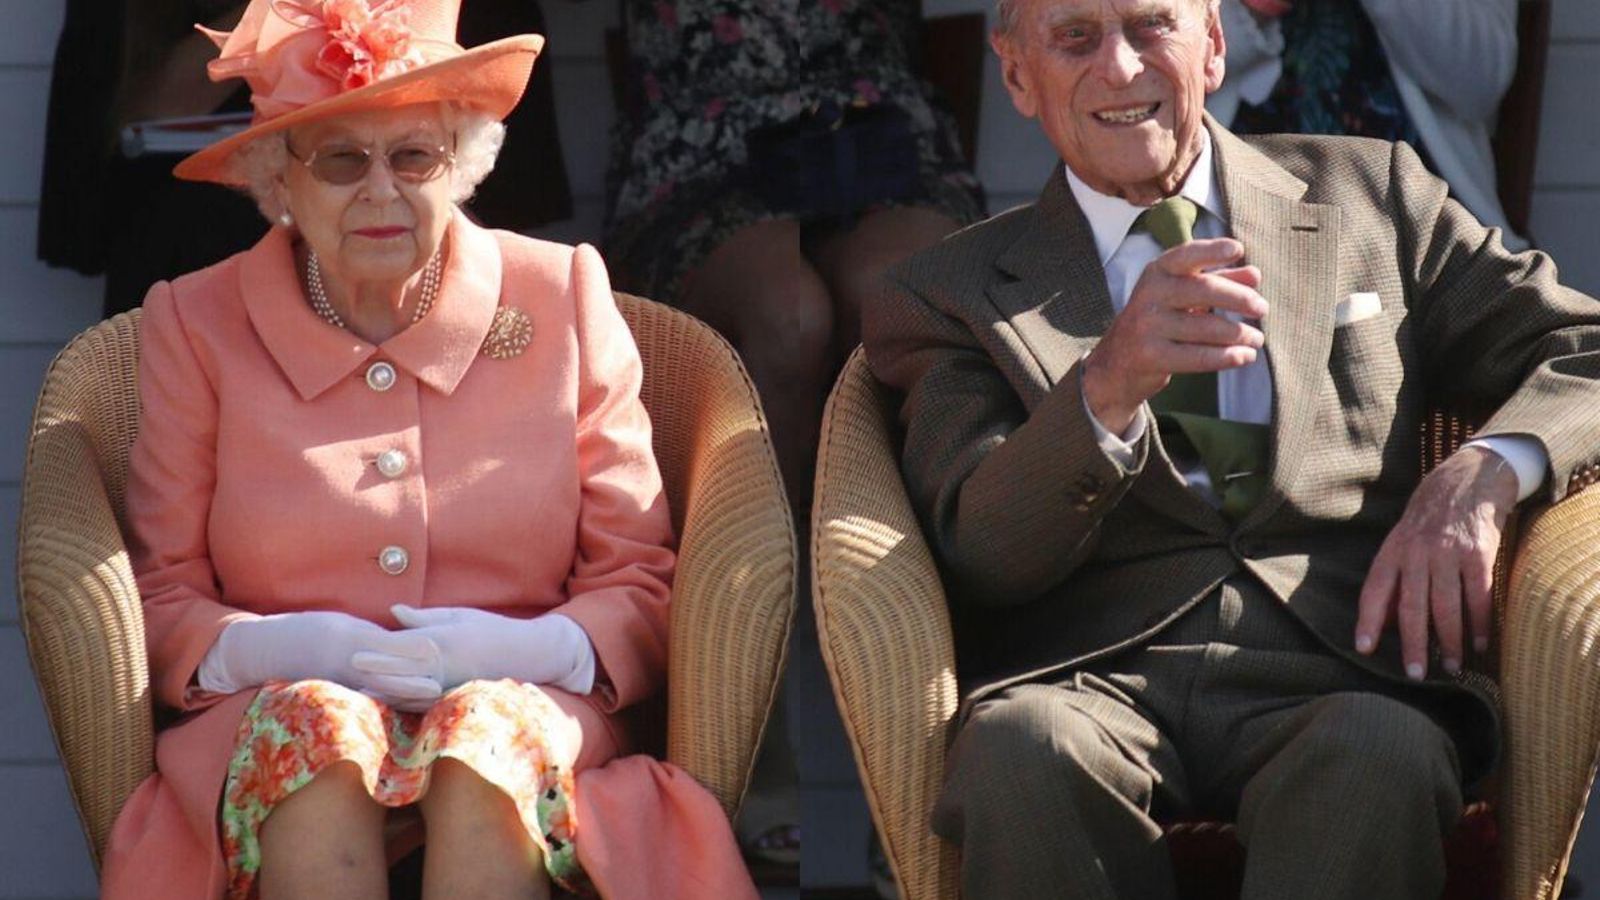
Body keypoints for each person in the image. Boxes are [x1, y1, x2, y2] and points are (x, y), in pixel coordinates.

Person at [861, 0, 1600, 897]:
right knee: (1024, 750)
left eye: (1149, 26)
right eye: (1076, 38)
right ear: (1018, 75)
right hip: (1090, 680)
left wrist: (1483, 473)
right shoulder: (949, 291)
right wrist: (1105, 385)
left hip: (1340, 665)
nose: (1122, 67)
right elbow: (981, 550)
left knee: (1379, 752)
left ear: (1211, 44)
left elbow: (1586, 347)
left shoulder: (1374, 196)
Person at [96, 1, 755, 898]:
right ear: (277, 180)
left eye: (413, 155)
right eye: (339, 158)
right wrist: (275, 649)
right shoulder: (196, 323)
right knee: (316, 733)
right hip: (278, 724)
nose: (380, 190)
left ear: (464, 164)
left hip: (526, 717)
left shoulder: (563, 297)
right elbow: (161, 595)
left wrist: (529, 654)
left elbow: (638, 578)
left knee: (483, 741)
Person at [1208, 0, 1522, 246]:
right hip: (1244, 222)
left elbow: (1482, 81)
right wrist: (1251, 11)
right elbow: (1173, 71)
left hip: (1418, 228)